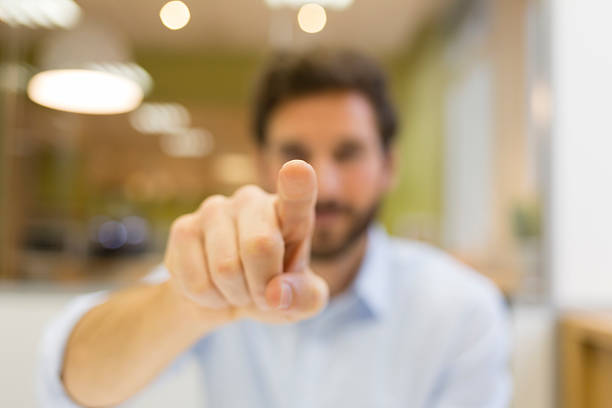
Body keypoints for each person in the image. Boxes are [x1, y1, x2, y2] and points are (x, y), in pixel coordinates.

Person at [38, 49, 511, 407]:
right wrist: (188, 304)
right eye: (294, 153)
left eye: (349, 153)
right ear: (262, 165)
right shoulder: (219, 275)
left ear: (389, 166)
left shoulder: (463, 310)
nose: (322, 183)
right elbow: (70, 380)